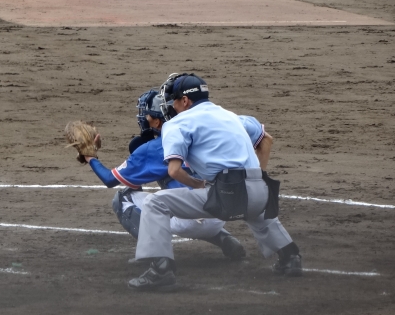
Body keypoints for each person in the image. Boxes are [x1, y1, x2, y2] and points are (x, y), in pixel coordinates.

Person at [130, 73, 302, 292]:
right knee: (254, 209)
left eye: (174, 100)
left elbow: (174, 171)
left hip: (226, 196)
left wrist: (197, 184)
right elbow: (265, 138)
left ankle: (161, 271)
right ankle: (290, 257)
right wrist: (257, 177)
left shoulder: (177, 123)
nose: (171, 105)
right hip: (260, 191)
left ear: (185, 100)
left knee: (155, 203)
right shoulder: (230, 115)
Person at [83, 89, 247, 260]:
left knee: (123, 199)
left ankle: (155, 256)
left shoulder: (154, 147)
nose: (144, 118)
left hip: (188, 221)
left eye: (147, 115)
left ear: (156, 121)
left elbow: (109, 179)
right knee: (196, 198)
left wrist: (90, 157)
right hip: (219, 213)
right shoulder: (202, 135)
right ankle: (224, 238)